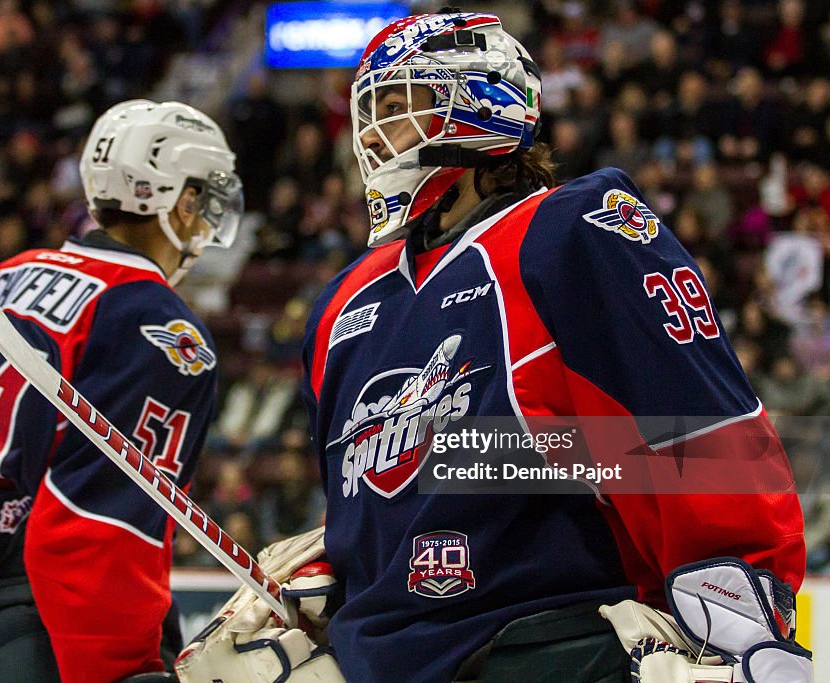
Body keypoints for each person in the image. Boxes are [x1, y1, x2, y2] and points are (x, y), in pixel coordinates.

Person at [294, 11, 805, 683]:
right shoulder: (342, 306)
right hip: (383, 661)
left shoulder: (566, 231)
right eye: (373, 114)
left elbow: (701, 427)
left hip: (540, 643)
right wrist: (332, 570)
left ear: (478, 105)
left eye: (398, 106)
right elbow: (385, 490)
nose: (376, 136)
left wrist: (746, 612)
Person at [0, 99, 243, 683]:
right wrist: (125, 669)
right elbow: (95, 525)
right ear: (178, 197)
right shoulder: (158, 325)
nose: (203, 220)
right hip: (50, 641)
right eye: (203, 198)